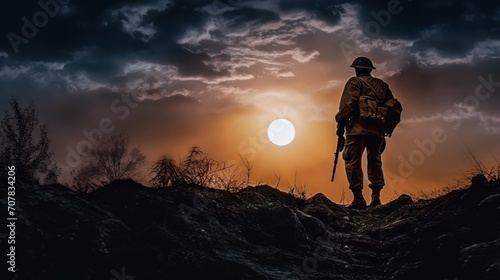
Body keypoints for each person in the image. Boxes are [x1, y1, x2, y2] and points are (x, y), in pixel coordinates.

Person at [335, 57, 394, 209]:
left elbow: (348, 105)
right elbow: (391, 106)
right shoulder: (382, 85)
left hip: (357, 129)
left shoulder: (354, 83)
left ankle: (358, 199)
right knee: (375, 161)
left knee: (352, 161)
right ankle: (376, 198)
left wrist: (339, 121)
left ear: (356, 69)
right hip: (377, 130)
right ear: (370, 69)